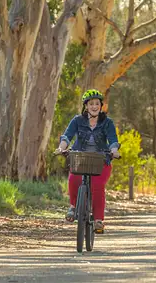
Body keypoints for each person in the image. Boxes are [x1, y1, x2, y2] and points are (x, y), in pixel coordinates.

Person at [55, 89, 120, 234]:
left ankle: (98, 220)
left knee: (97, 185)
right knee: (74, 179)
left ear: (101, 106)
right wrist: (61, 148)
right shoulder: (77, 120)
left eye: (97, 103)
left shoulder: (107, 123)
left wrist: (114, 151)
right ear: (86, 106)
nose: (94, 106)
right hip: (80, 157)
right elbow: (67, 136)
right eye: (91, 104)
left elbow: (113, 140)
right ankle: (73, 206)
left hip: (101, 160)